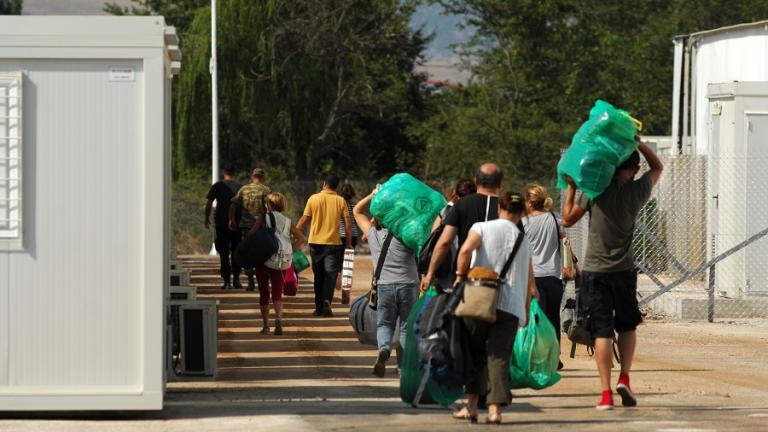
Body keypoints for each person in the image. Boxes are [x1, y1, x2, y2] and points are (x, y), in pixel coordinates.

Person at [562, 140, 663, 410]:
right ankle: (625, 377)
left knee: (603, 331)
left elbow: (568, 219)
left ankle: (605, 394)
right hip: (624, 270)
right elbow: (658, 167)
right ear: (633, 168)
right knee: (628, 325)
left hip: (595, 271)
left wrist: (572, 189)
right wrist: (638, 142)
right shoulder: (637, 190)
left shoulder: (595, 190)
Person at [452, 192, 539, 425]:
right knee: (499, 357)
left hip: (480, 299)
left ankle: (471, 407)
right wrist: (526, 308)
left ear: (499, 208)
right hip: (510, 306)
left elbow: (464, 251)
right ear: (521, 212)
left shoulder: (481, 227)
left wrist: (460, 277)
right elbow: (528, 277)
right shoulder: (523, 239)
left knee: (475, 354)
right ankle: (494, 411)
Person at [353, 189, 419, 378]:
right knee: (406, 325)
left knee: (385, 324)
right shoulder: (409, 235)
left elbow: (357, 211)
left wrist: (372, 195)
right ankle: (403, 368)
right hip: (408, 284)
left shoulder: (373, 234)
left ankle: (384, 349)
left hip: (385, 286)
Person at [420, 163, 503, 293]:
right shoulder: (506, 209)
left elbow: (445, 242)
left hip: (464, 279)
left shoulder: (462, 204)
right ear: (500, 184)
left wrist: (430, 273)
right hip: (497, 280)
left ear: (476, 180)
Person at [296, 174, 353, 317]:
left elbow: (304, 220)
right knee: (331, 275)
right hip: (333, 244)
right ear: (337, 186)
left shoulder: (313, 199)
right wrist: (348, 243)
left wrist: (294, 234)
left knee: (319, 276)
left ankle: (318, 307)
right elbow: (347, 225)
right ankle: (327, 299)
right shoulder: (341, 201)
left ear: (324, 184)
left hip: (315, 243)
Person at [522, 183, 565, 370]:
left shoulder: (523, 223)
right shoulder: (555, 219)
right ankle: (554, 357)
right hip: (554, 275)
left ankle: (538, 358)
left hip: (533, 277)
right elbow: (564, 241)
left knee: (536, 319)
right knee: (553, 317)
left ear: (530, 202)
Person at [255, 193, 306, 336]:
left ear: (269, 205)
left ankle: (266, 326)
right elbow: (302, 239)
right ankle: (278, 320)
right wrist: (290, 250)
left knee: (264, 293)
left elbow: (251, 235)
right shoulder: (287, 221)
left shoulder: (263, 218)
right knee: (277, 292)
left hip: (263, 259)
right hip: (281, 261)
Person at [229, 168, 272, 291]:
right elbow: (270, 209)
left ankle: (250, 282)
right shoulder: (266, 190)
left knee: (248, 253)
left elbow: (232, 205)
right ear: (262, 178)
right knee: (262, 253)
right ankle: (262, 281)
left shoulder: (244, 189)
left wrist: (232, 220)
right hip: (261, 227)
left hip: (246, 228)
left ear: (252, 177)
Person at [204, 168, 242, 289]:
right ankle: (236, 278)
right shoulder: (240, 186)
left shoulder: (218, 185)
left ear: (224, 174)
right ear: (233, 174)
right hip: (237, 221)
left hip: (221, 222)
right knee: (236, 250)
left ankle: (226, 281)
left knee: (223, 252)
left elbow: (209, 203)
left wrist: (206, 218)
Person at [338, 183, 361, 249]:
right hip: (353, 235)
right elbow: (356, 221)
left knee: (339, 258)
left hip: (340, 235)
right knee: (348, 259)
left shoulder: (338, 206)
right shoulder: (355, 206)